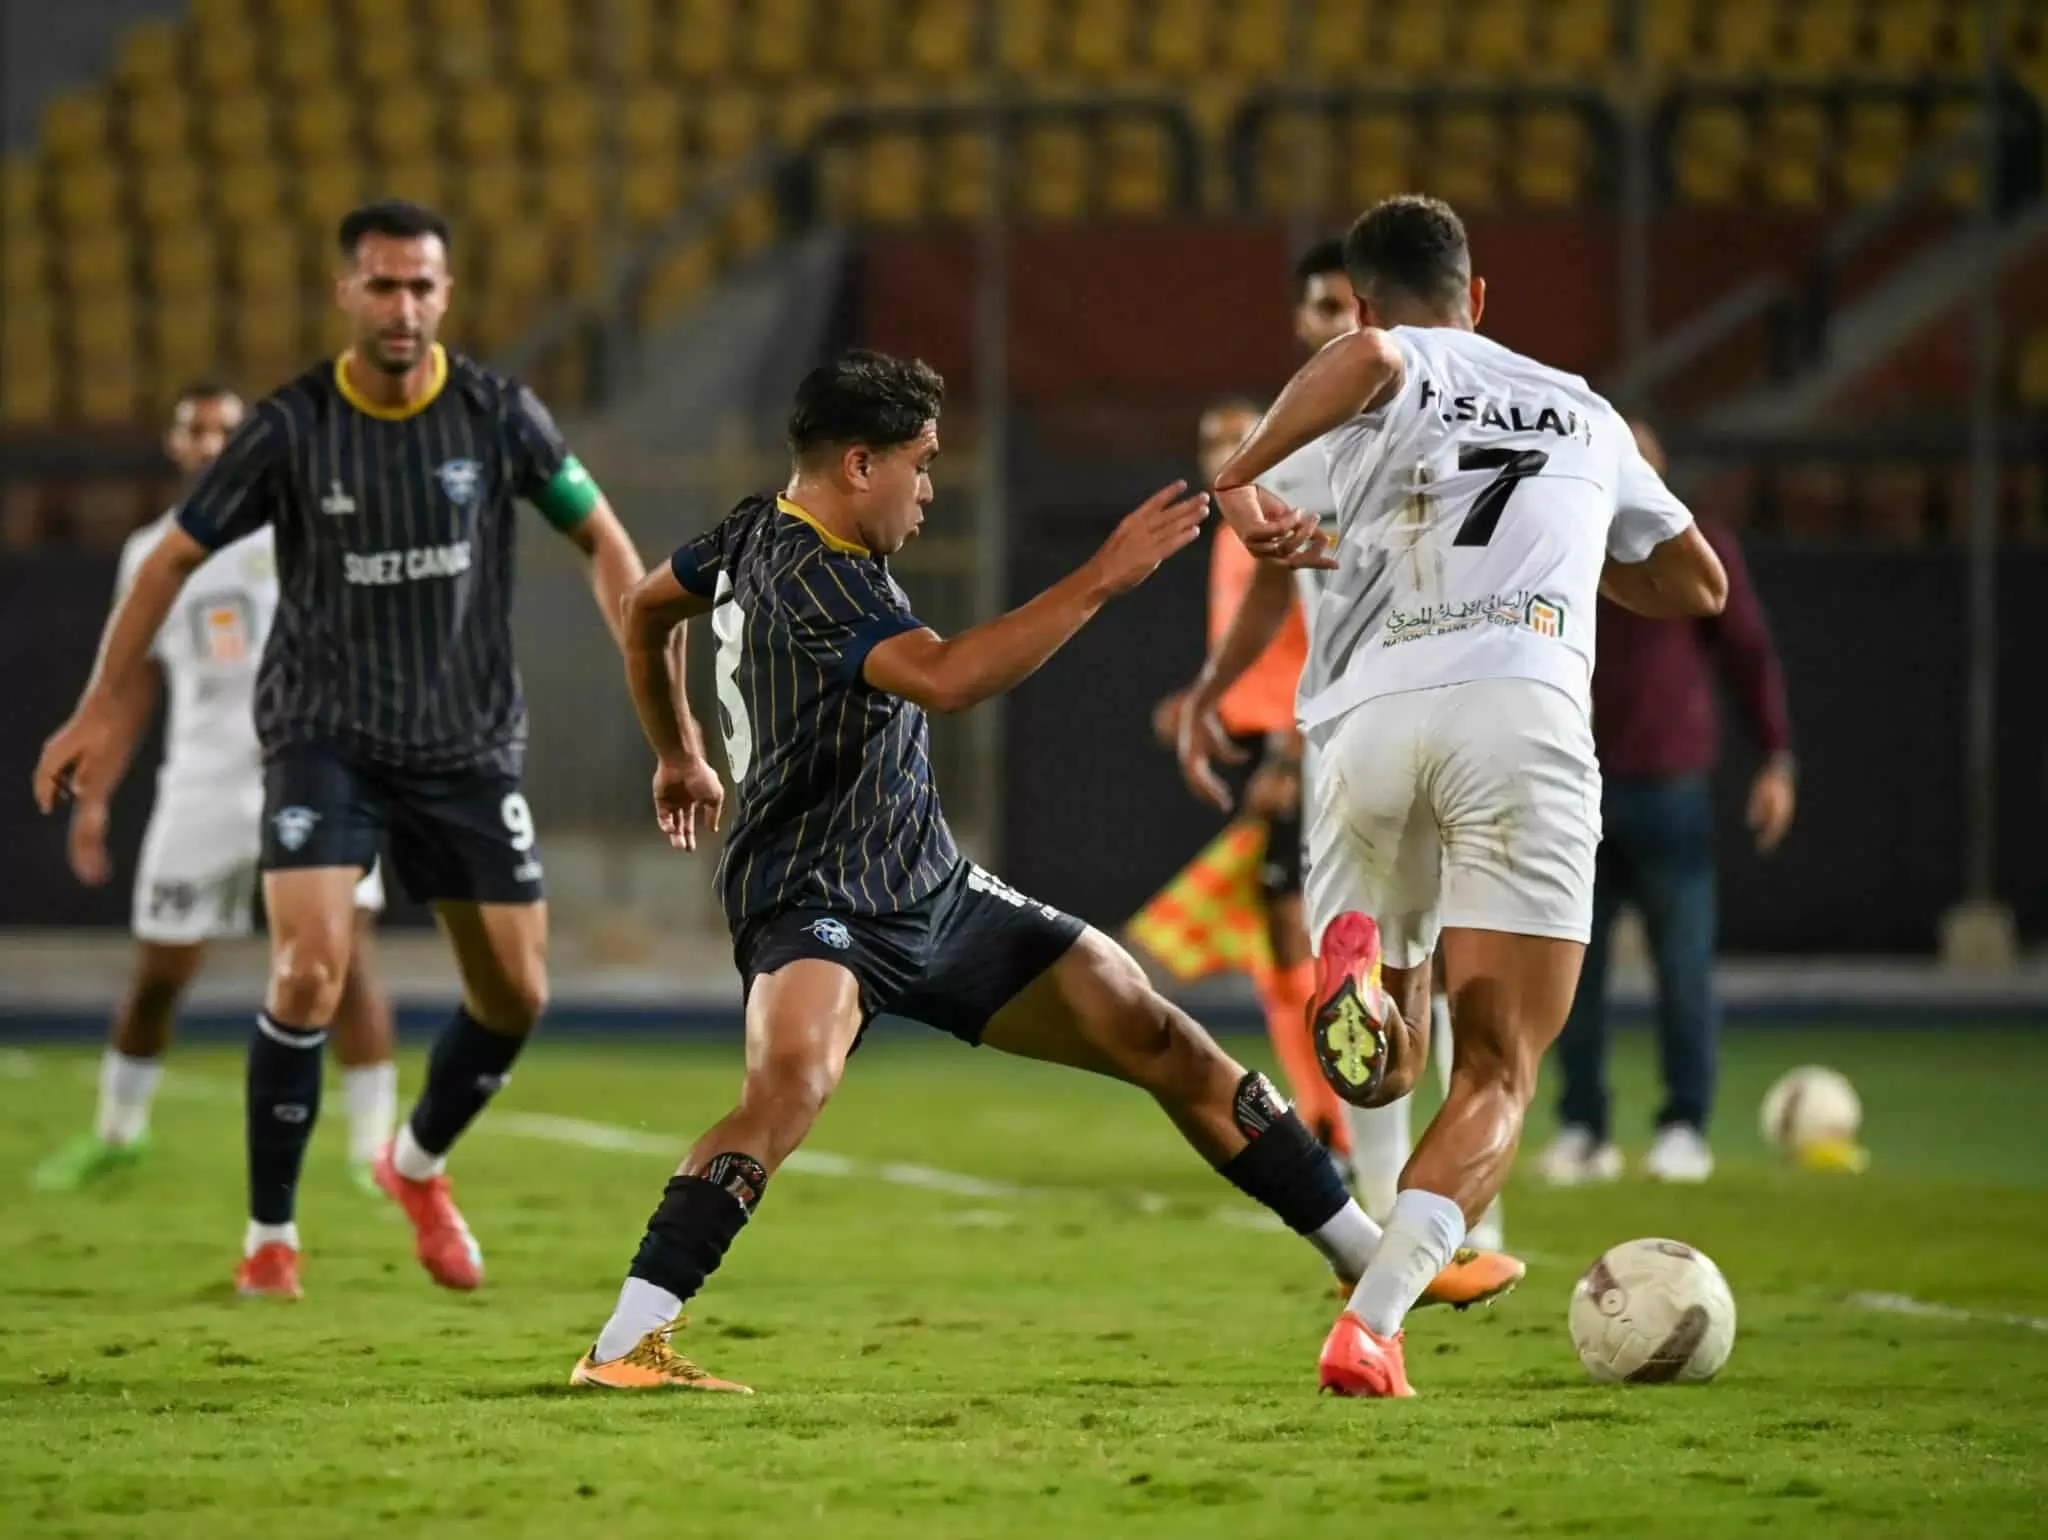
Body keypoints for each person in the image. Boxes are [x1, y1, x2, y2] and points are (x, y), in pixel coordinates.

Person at [568, 351, 1522, 1392]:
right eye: (920, 464)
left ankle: (1368, 1261)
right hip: (814, 897)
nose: (929, 489)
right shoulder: (813, 573)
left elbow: (645, 609)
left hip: (929, 887)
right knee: (790, 1087)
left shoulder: (753, 530)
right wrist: (1102, 577)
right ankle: (626, 1342)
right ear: (858, 465)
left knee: (1155, 1032)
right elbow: (947, 678)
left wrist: (679, 753)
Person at [32, 200, 647, 1301]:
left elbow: (602, 538)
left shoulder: (499, 415)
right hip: (325, 739)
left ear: (445, 294)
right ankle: (270, 1235)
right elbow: (167, 562)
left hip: (464, 744)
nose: (402, 306)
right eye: (383, 285)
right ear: (346, 293)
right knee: (308, 969)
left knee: (516, 995)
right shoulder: (289, 429)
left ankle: (414, 1164)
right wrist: (93, 708)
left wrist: (661, 700)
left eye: (421, 286)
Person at [1180, 196, 1728, 1396]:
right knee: (1496, 1069)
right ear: (1475, 298)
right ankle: (1370, 1326)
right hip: (1516, 714)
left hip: (1365, 730)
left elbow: (1356, 382)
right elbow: (1696, 584)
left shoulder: (1350, 395)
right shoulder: (1580, 408)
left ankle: (1374, 989)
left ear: (1358, 301)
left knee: (1382, 1065)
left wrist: (1239, 475)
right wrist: (1576, 555)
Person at [1173, 242, 1508, 1253]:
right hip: (1369, 733)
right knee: (1370, 981)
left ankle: (1455, 1211)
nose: (1336, 323)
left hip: (1439, 725)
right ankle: (1399, 1209)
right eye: (1320, 307)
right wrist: (1213, 691)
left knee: (1442, 971)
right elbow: (1271, 580)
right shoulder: (1319, 432)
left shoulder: (1445, 418)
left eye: (1344, 306)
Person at [33, 384, 397, 1196]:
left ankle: (375, 1153)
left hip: (312, 776)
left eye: (225, 429)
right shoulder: (150, 552)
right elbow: (133, 684)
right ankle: (117, 1134)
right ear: (175, 444)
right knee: (159, 974)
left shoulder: (307, 528)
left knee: (348, 964)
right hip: (200, 785)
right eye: (194, 429)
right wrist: (97, 794)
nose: (209, 442)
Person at [1537, 420, 1795, 1187]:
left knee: (1683, 967)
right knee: (1568, 971)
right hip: (1574, 785)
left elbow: (1748, 654)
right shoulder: (1559, 541)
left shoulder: (1693, 545)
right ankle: (1583, 1127)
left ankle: (1684, 1126)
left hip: (1666, 787)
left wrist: (1775, 757)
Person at [1143, 394, 1354, 1169]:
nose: (1222, 453)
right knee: (1281, 940)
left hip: (1310, 756)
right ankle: (1324, 1116)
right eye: (1212, 441)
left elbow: (1327, 650)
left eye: (1241, 439)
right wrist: (1205, 702)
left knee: (1313, 936)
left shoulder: (1288, 522)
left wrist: (1291, 761)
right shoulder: (1234, 534)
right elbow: (1265, 658)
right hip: (1273, 749)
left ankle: (1342, 1121)